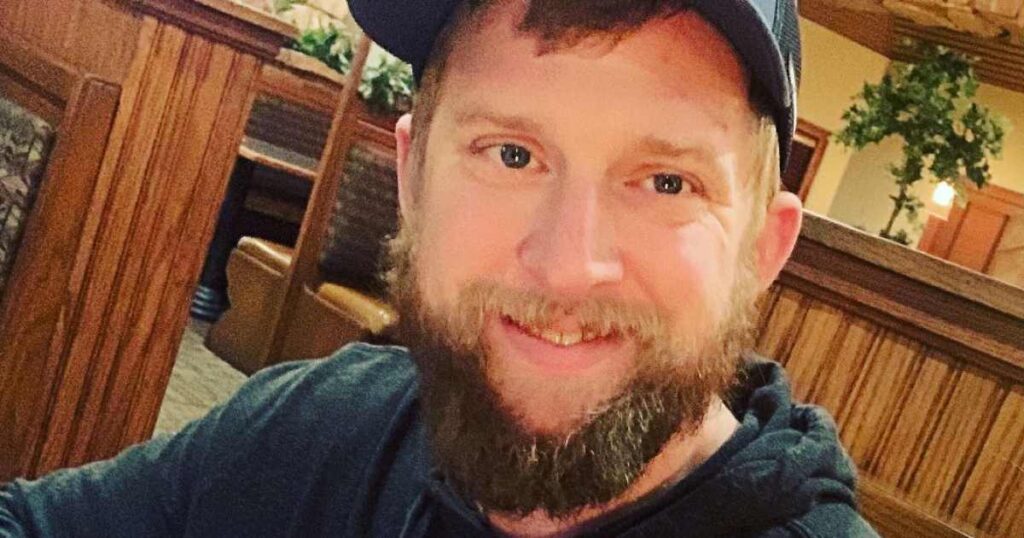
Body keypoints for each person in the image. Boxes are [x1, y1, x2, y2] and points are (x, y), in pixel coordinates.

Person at [0, 0, 878, 536]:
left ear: (763, 246)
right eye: (511, 155)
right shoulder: (328, 423)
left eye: (666, 181)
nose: (567, 266)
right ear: (412, 175)